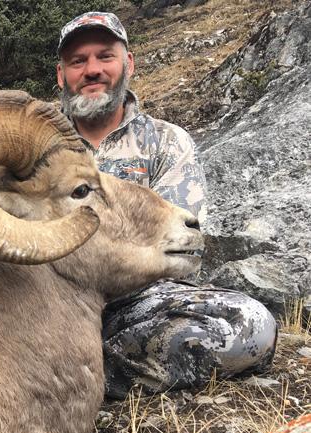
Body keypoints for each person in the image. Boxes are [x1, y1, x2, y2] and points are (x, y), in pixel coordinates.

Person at [56, 12, 277, 399]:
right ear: (62, 75)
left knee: (251, 325)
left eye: (105, 56)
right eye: (78, 61)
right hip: (50, 299)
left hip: (135, 303)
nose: (92, 70)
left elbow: (178, 249)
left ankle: (81, 376)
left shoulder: (166, 141)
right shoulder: (36, 146)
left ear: (129, 64)